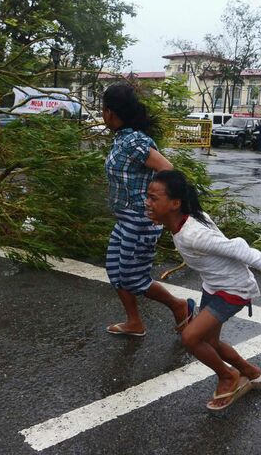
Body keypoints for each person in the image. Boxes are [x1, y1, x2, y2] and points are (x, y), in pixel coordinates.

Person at [145, 170, 261, 411]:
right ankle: (250, 372)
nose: (147, 202)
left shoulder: (194, 235)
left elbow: (240, 249)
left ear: (175, 204)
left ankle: (227, 376)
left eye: (153, 198)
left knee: (191, 337)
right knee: (209, 342)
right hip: (214, 286)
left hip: (233, 289)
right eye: (148, 197)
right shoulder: (185, 220)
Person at [102, 83, 196, 337]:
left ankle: (180, 307)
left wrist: (156, 204)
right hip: (124, 219)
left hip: (140, 220)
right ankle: (134, 322)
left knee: (134, 278)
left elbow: (167, 168)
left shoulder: (135, 141)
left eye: (103, 109)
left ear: (110, 112)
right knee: (115, 270)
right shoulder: (123, 138)